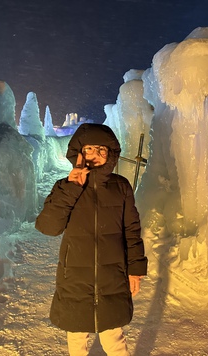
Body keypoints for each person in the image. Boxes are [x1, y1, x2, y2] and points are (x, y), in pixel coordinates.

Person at [35, 123, 148, 356]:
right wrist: (71, 187)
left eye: (102, 150)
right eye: (89, 149)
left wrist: (135, 269)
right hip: (74, 275)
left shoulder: (121, 187)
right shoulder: (64, 187)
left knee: (114, 337)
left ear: (111, 154)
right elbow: (48, 227)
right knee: (76, 336)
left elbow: (132, 230)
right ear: (78, 152)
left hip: (112, 275)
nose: (95, 155)